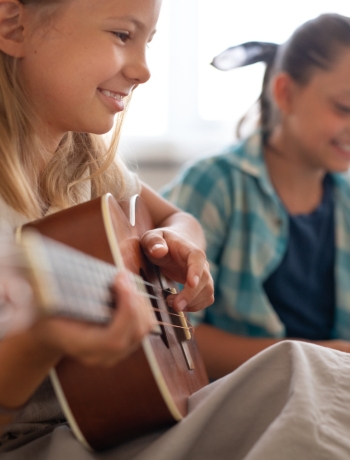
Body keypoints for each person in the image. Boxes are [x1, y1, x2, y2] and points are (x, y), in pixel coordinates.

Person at [1, 2, 350, 459]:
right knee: (307, 373)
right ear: (13, 25)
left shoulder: (88, 162)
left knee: (309, 375)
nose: (145, 70)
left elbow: (176, 217)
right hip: (36, 441)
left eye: (150, 42)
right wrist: (39, 340)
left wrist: (187, 245)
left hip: (114, 423)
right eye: (123, 35)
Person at [162, 13, 350, 380]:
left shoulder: (345, 203)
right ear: (285, 94)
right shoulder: (214, 186)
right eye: (344, 108)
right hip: (244, 404)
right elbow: (169, 332)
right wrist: (317, 356)